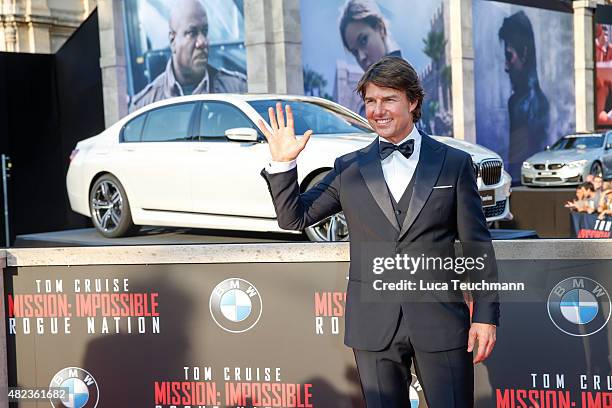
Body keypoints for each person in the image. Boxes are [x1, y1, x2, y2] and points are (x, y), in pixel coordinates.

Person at [259, 56, 499, 407]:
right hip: (373, 325)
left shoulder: (453, 164)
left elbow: (478, 244)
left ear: (413, 101)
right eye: (370, 101)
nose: (377, 110)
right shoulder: (349, 167)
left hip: (441, 319)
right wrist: (283, 164)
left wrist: (485, 316)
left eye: (388, 99)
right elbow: (295, 218)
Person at [129, 0, 246, 112]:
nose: (202, 42)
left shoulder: (237, 90)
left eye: (205, 32)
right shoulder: (144, 107)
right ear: (172, 41)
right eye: (192, 33)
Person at [499, 11, 549, 183]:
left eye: (509, 55)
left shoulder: (525, 104)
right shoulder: (526, 101)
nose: (506, 67)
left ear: (525, 53)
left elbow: (518, 163)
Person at [339, 0, 401, 116]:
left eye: (363, 40)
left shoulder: (402, 80)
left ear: (380, 29)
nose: (361, 57)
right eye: (355, 52)